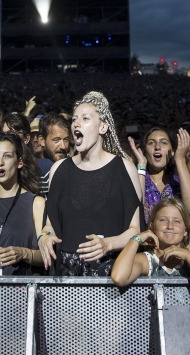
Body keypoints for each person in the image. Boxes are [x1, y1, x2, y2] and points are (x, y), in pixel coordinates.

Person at [39, 91, 142, 276]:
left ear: (103, 127)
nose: (76, 123)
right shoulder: (59, 169)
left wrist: (108, 244)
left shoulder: (124, 169)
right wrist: (44, 238)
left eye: (85, 118)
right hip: (66, 276)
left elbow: (136, 230)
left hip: (109, 273)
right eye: (74, 119)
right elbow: (50, 224)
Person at [111, 197, 190, 299]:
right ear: (152, 227)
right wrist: (135, 240)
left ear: (185, 231)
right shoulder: (147, 260)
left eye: (177, 221)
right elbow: (119, 278)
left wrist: (188, 255)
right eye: (163, 220)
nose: (170, 226)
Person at [0, 133, 45, 275]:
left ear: (19, 162)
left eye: (7, 156)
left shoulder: (36, 203)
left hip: (23, 289)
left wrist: (24, 253)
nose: (0, 162)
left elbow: (47, 255)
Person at [139, 126, 190, 226]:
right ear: (144, 151)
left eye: (163, 142)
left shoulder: (180, 181)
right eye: (151, 143)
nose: (157, 147)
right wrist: (140, 165)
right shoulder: (136, 180)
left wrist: (180, 159)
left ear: (172, 151)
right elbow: (136, 213)